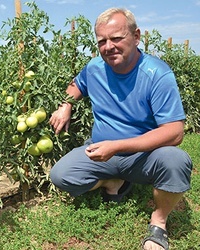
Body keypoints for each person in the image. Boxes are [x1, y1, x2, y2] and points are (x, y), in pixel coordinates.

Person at [49, 7, 192, 250]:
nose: (108, 46)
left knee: (176, 162)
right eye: (102, 41)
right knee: (61, 176)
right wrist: (66, 105)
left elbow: (174, 131)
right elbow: (77, 84)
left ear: (136, 37)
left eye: (116, 38)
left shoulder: (157, 73)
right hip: (102, 152)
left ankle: (158, 223)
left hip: (143, 156)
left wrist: (117, 146)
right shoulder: (95, 68)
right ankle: (113, 182)